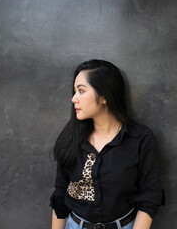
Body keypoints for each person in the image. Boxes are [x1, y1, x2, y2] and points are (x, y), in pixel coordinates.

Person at [49, 59, 163, 229]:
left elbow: (150, 198)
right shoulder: (70, 139)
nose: (74, 99)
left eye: (81, 91)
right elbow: (60, 197)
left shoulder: (140, 139)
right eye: (74, 92)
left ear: (104, 96)